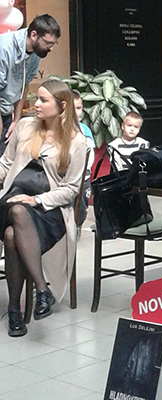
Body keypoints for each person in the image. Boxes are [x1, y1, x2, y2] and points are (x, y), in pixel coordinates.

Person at [0, 80, 87, 337]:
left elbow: (71, 189)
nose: (36, 104)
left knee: (12, 235)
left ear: (62, 106)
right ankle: (42, 290)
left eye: (43, 100)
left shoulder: (77, 142)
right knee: (17, 210)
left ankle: (15, 311)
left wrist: (37, 200)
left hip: (49, 211)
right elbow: (6, 164)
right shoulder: (25, 126)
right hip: (11, 200)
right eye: (36, 98)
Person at [0, 14, 61, 155]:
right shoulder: (4, 47)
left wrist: (16, 120)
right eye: (48, 43)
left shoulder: (36, 52)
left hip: (7, 111)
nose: (51, 48)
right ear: (34, 35)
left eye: (53, 44)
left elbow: (25, 85)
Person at [72, 91, 95, 231]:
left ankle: (78, 226)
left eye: (79, 108)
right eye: (73, 108)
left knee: (81, 207)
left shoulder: (85, 130)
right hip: (65, 178)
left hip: (83, 177)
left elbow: (90, 154)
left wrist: (86, 170)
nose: (76, 112)